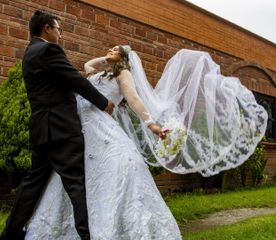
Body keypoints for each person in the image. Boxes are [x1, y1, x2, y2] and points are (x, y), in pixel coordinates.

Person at [24, 45, 181, 239]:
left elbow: (133, 99)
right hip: (79, 129)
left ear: (124, 58)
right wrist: (107, 59)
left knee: (109, 175)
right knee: (76, 178)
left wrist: (151, 124)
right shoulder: (100, 73)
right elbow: (88, 64)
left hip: (102, 129)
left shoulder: (123, 74)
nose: (110, 49)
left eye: (115, 49)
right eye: (110, 48)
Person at [0, 11, 115, 240]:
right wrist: (104, 103)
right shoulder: (48, 50)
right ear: (47, 29)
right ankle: (87, 236)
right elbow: (74, 79)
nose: (60, 34)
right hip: (61, 129)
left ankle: (10, 235)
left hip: (42, 130)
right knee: (76, 184)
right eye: (58, 29)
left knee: (32, 185)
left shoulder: (29, 53)